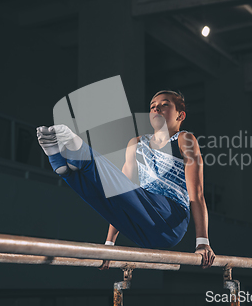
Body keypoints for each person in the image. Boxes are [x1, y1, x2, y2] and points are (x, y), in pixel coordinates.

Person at [36, 90, 215, 269]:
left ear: (180, 115)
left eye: (164, 104)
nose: (156, 109)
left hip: (171, 219)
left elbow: (197, 194)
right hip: (143, 228)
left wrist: (202, 242)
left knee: (126, 189)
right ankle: (66, 170)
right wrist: (109, 245)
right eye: (153, 106)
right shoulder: (135, 144)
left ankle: (82, 155)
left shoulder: (185, 139)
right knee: (107, 195)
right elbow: (120, 192)